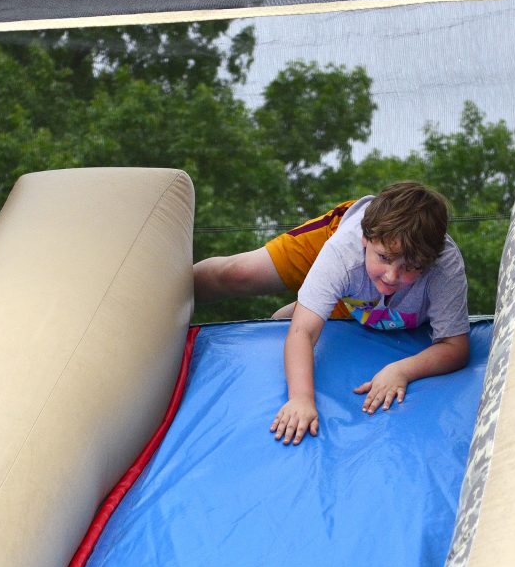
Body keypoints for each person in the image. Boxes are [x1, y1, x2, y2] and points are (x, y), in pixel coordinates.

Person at [193, 181, 470, 444]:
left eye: (411, 267)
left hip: (361, 302)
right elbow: (302, 333)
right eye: (385, 259)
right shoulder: (344, 251)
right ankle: (168, 290)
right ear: (366, 239)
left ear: (430, 262)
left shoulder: (443, 267)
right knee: (240, 274)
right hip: (338, 248)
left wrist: (402, 370)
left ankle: (314, 302)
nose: (392, 276)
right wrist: (301, 398)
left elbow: (455, 346)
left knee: (283, 319)